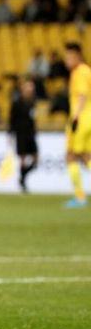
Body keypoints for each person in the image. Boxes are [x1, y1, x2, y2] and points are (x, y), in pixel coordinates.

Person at [63, 43, 91, 208]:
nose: (66, 61)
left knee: (71, 156)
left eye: (68, 57)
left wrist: (75, 118)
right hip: (89, 119)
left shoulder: (79, 73)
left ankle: (79, 197)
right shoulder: (88, 71)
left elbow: (82, 95)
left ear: (77, 56)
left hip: (80, 120)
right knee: (87, 157)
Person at [9, 78, 38, 192]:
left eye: (32, 87)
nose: (30, 89)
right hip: (20, 134)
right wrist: (10, 133)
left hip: (31, 134)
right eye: (28, 87)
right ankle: (23, 182)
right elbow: (12, 120)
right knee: (22, 159)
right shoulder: (17, 103)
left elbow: (33, 119)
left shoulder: (33, 102)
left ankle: (23, 176)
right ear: (23, 88)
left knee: (36, 160)